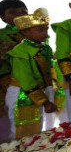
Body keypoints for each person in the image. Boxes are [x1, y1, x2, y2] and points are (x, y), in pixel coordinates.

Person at [5, 8, 57, 139]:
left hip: (39, 92)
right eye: (40, 30)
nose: (45, 33)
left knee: (37, 127)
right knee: (21, 130)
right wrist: (44, 102)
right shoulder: (20, 52)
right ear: (25, 31)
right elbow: (26, 80)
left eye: (46, 29)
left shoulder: (45, 48)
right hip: (22, 93)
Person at [0, 0, 28, 137]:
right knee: (11, 120)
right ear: (3, 17)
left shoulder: (36, 32)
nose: (19, 15)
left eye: (23, 11)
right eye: (12, 12)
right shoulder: (1, 34)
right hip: (8, 82)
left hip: (35, 81)